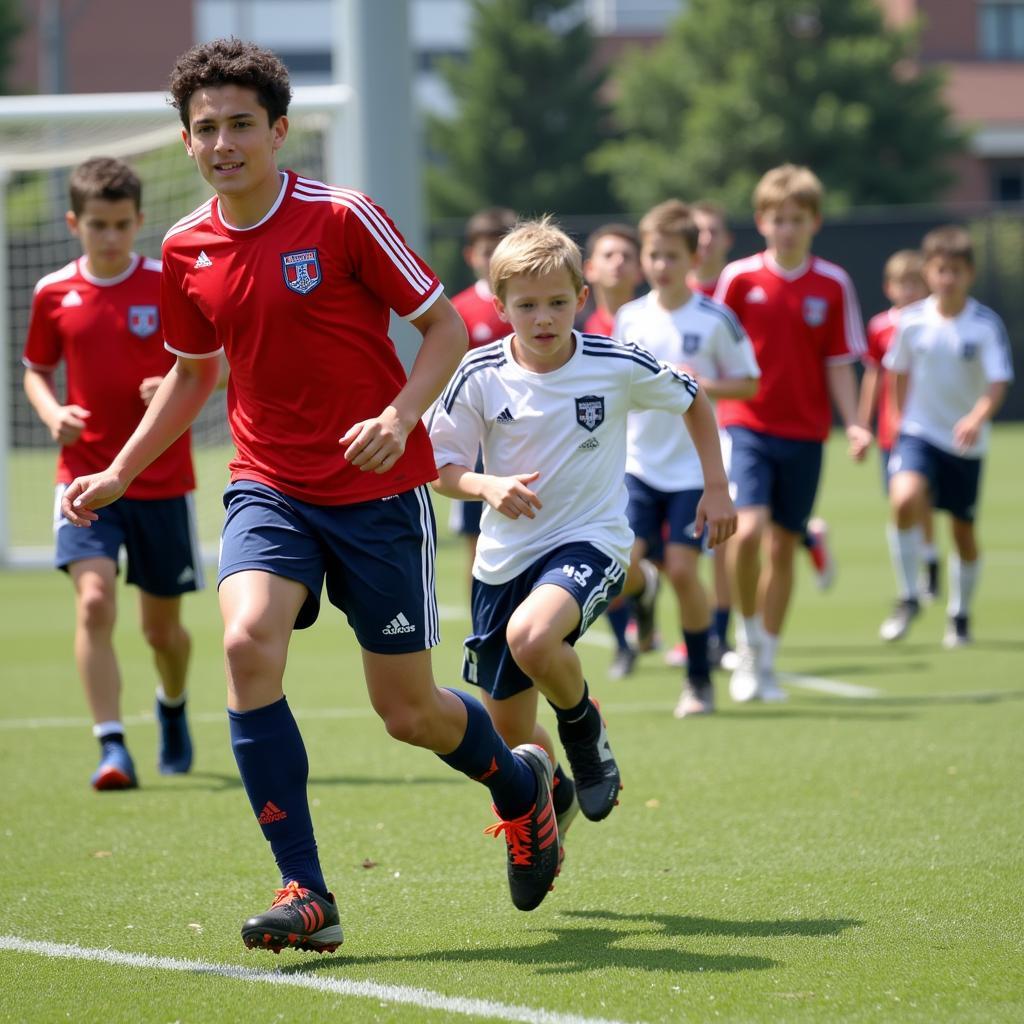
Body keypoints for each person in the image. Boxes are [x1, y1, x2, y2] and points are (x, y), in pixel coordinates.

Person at [60, 38, 565, 951]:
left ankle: (523, 787)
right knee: (247, 644)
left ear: (279, 131)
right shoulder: (183, 245)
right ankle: (308, 891)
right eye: (205, 128)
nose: (224, 142)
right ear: (185, 143)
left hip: (378, 493)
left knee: (407, 714)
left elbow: (444, 326)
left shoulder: (343, 218)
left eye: (241, 125)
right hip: (268, 486)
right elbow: (191, 372)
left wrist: (400, 415)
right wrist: (120, 472)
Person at [428, 218, 735, 845]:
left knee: (534, 638)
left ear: (582, 298)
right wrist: (486, 486)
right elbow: (440, 467)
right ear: (500, 306)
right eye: (528, 306)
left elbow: (693, 398)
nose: (544, 319)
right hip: (502, 561)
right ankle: (558, 794)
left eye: (558, 303)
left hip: (589, 540)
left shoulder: (616, 363)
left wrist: (717, 485)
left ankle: (583, 727)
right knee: (511, 734)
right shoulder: (478, 372)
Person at [22, 157, 200, 792]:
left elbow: (212, 364)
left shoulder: (168, 283)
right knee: (94, 601)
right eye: (97, 225)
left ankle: (172, 706)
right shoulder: (52, 293)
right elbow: (36, 370)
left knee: (163, 630)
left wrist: (168, 386)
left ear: (139, 221)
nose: (110, 236)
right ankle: (112, 746)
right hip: (83, 478)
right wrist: (51, 412)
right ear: (74, 223)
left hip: (160, 480)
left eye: (122, 224)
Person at [714, 164, 872, 702]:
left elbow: (838, 361)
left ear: (815, 222)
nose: (787, 228)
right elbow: (716, 347)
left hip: (806, 432)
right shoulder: (739, 279)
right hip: (746, 425)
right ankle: (745, 641)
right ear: (761, 221)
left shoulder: (833, 284)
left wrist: (853, 423)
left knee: (783, 547)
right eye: (777, 219)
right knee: (750, 532)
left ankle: (767, 662)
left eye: (797, 219)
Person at [614, 200, 759, 716]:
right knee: (622, 565)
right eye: (653, 254)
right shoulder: (629, 318)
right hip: (636, 464)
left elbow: (750, 379)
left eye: (671, 255)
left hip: (692, 469)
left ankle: (698, 680)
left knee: (682, 570)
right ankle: (642, 597)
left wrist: (699, 385)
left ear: (692, 258)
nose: (661, 265)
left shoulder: (714, 318)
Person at [879, 225, 1013, 647]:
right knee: (903, 500)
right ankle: (908, 596)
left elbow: (998, 381)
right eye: (940, 270)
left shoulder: (985, 325)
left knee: (963, 533)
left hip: (966, 444)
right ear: (929, 273)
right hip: (919, 434)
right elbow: (896, 371)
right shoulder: (912, 321)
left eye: (956, 270)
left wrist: (977, 416)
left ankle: (960, 615)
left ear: (969, 274)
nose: (947, 278)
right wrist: (902, 421)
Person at [858, 250, 938, 598]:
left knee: (922, 499)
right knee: (902, 499)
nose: (909, 291)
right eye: (902, 283)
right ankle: (917, 576)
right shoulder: (880, 327)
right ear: (889, 288)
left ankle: (930, 558)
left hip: (932, 427)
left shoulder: (934, 324)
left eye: (915, 283)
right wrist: (864, 423)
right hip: (894, 431)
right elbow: (874, 376)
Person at [448, 207, 518, 582]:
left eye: (501, 249)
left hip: (528, 435)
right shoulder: (457, 310)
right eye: (486, 251)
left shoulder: (530, 304)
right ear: (471, 255)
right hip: (477, 444)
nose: (492, 259)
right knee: (477, 543)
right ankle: (483, 633)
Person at [580, 223, 643, 336]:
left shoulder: (657, 324)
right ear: (590, 269)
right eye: (608, 255)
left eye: (626, 256)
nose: (619, 261)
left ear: (640, 271)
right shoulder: (572, 328)